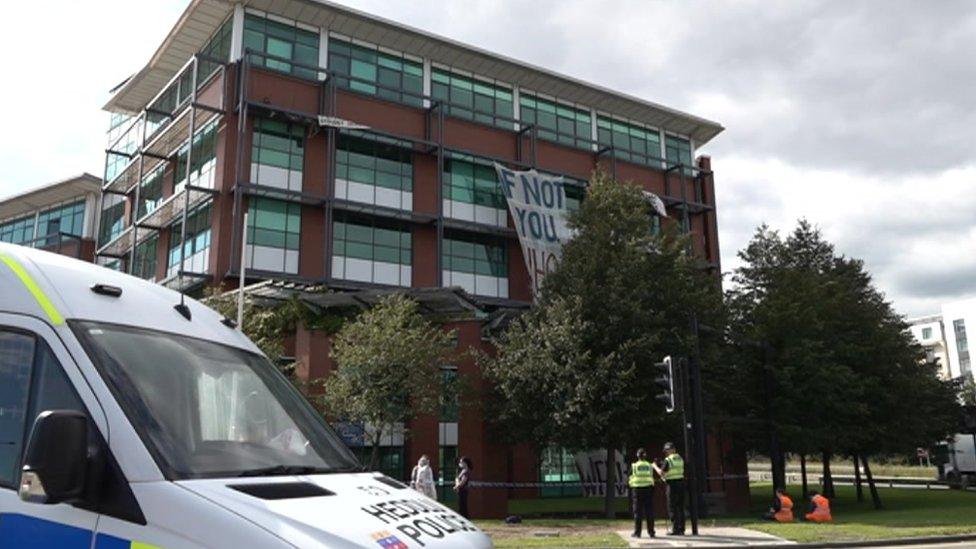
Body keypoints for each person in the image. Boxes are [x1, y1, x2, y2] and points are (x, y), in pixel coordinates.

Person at [653, 442, 686, 535]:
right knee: (680, 507)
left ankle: (675, 529)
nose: (666, 453)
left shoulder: (668, 460)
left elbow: (661, 472)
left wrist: (654, 466)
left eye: (666, 451)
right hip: (681, 483)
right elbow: (674, 470)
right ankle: (681, 529)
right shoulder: (680, 458)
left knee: (672, 507)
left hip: (672, 485)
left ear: (669, 450)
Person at [628, 448, 655, 538]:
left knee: (638, 512)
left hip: (637, 490)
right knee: (649, 512)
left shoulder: (634, 466)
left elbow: (630, 476)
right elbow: (651, 477)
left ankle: (637, 532)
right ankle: (651, 532)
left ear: (637, 456)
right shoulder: (649, 465)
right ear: (645, 456)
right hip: (648, 489)